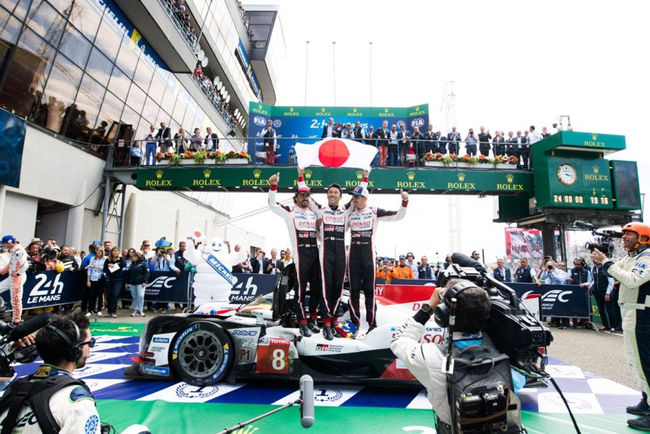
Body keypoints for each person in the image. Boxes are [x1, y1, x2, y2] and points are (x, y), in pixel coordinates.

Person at [391, 279, 495, 433]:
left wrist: (429, 306)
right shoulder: (504, 346)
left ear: (443, 313)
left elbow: (399, 341)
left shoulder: (432, 357)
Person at [591, 222, 650, 430]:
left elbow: (632, 280)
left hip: (642, 313)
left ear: (642, 237)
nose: (624, 237)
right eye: (623, 234)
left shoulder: (647, 257)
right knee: (636, 360)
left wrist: (606, 262)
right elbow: (615, 272)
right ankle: (647, 400)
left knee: (645, 363)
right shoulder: (633, 256)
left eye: (629, 234)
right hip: (632, 311)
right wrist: (603, 260)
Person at [0, 312, 100, 433]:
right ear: (76, 350)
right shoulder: (78, 400)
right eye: (89, 343)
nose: (90, 348)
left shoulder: (12, 389)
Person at [306, 168, 368, 340]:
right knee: (326, 289)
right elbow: (307, 196)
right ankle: (326, 323)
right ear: (327, 195)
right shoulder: (321, 209)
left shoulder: (346, 209)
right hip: (325, 253)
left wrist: (366, 176)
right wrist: (301, 174)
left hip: (341, 253)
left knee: (337, 290)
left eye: (336, 192)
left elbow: (359, 194)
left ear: (340, 196)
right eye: (330, 192)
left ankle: (333, 319)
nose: (332, 194)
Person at [347, 186, 408, 337]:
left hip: (368, 255)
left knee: (369, 292)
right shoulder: (349, 214)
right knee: (353, 291)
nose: (354, 199)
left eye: (357, 196)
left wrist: (405, 201)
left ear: (365, 198)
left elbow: (397, 216)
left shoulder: (374, 211)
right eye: (353, 196)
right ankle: (355, 324)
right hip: (353, 255)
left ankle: (372, 324)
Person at [268, 172, 322, 337]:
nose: (305, 197)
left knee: (316, 290)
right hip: (300, 254)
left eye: (307, 195)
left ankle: (312, 318)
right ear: (296, 197)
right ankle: (302, 321)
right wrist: (273, 186)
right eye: (302, 195)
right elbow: (272, 204)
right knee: (300, 291)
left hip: (315, 252)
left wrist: (320, 228)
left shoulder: (314, 213)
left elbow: (320, 234)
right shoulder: (290, 211)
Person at [0, 235, 28, 323]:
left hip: (17, 278)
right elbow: (11, 263)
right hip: (11, 277)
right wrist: (2, 271)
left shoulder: (19, 251)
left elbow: (25, 265)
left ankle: (16, 321)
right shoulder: (14, 251)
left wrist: (18, 273)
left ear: (9, 242)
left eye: (4, 243)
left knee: (15, 299)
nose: (3, 245)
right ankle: (2, 307)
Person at [590, 257, 616, 332]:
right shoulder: (593, 269)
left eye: (597, 260)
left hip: (605, 291)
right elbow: (594, 280)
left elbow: (611, 283)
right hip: (597, 292)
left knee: (610, 309)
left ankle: (613, 326)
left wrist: (608, 293)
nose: (596, 261)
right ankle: (605, 325)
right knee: (601, 310)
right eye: (595, 259)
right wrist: (591, 285)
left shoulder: (606, 269)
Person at [103, 247, 125, 318]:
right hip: (110, 279)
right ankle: (109, 311)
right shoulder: (108, 260)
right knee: (109, 295)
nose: (115, 252)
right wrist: (108, 265)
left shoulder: (121, 259)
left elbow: (124, 264)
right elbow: (104, 269)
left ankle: (113, 311)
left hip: (118, 280)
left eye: (116, 251)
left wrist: (115, 265)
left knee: (115, 294)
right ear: (111, 252)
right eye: (114, 251)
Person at [126, 250, 149, 317]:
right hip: (133, 283)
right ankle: (135, 310)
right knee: (134, 296)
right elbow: (129, 273)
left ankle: (140, 310)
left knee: (140, 296)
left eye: (134, 256)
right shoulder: (132, 264)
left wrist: (145, 281)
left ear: (137, 256)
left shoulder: (143, 263)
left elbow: (147, 273)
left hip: (140, 283)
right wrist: (127, 282)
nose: (132, 257)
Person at [85, 246, 106, 316]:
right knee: (92, 294)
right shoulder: (92, 259)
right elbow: (89, 269)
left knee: (100, 294)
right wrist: (88, 280)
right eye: (97, 253)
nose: (98, 254)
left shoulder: (105, 259)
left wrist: (98, 267)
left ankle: (99, 309)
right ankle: (90, 310)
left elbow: (105, 269)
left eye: (99, 253)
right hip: (93, 278)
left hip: (101, 278)